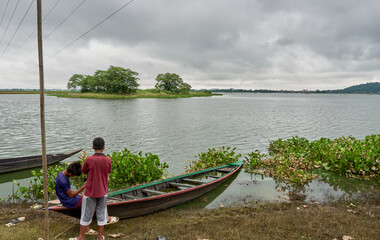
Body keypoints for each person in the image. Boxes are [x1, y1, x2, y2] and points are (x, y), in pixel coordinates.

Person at [70, 137, 118, 240]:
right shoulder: (107, 160)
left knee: (85, 215)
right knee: (101, 215)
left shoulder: (89, 160)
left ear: (92, 147)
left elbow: (84, 171)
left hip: (90, 193)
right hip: (102, 192)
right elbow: (108, 173)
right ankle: (100, 237)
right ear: (104, 147)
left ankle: (81, 237)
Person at [55, 161, 98, 236]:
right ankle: (86, 228)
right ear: (71, 174)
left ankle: (86, 222)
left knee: (85, 198)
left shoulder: (61, 174)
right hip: (68, 201)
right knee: (92, 203)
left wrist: (78, 194)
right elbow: (71, 195)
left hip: (67, 197)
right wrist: (82, 187)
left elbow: (69, 192)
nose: (73, 176)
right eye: (74, 175)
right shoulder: (63, 180)